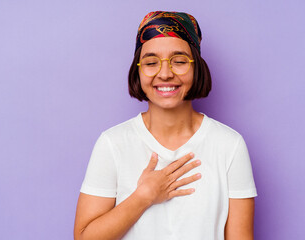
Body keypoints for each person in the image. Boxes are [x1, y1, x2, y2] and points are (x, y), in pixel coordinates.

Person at [74, 11, 258, 240]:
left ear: (196, 67)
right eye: (151, 62)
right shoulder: (112, 143)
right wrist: (144, 196)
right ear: (139, 70)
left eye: (179, 61)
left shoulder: (229, 145)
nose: (165, 73)